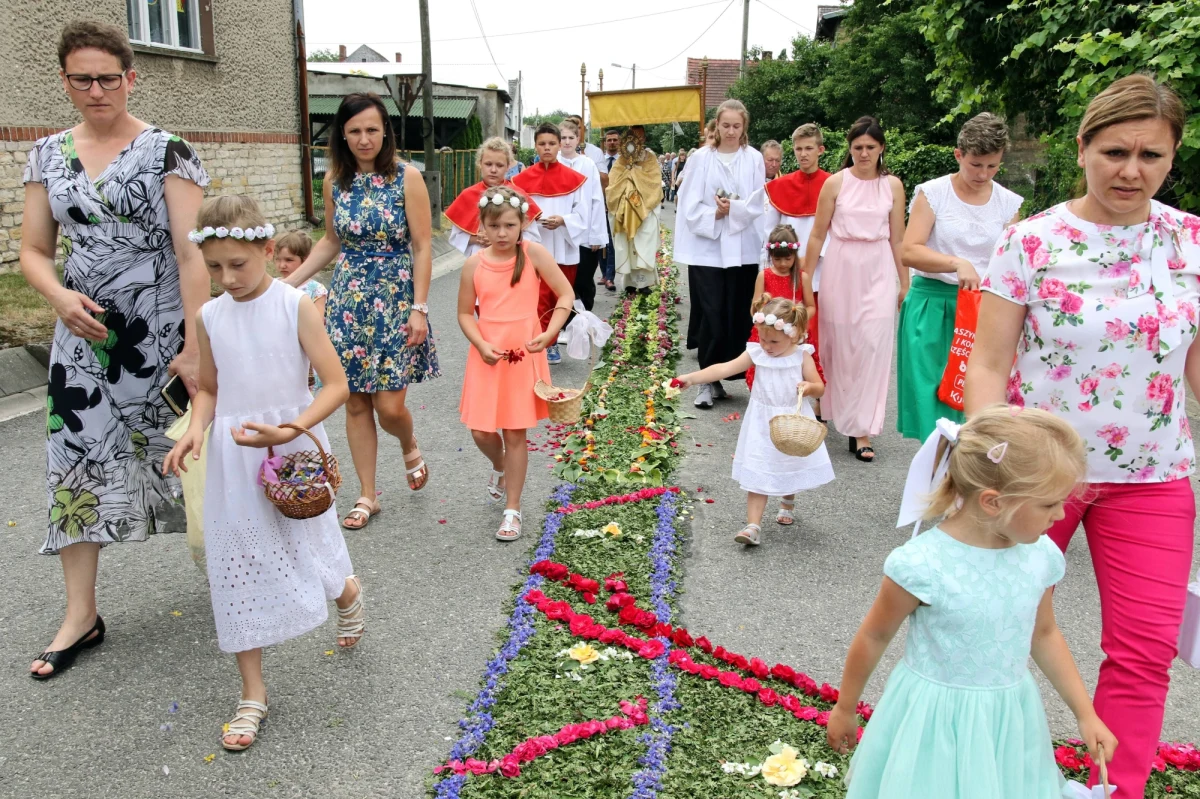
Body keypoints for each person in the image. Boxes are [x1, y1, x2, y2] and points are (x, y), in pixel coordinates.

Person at [966, 75, 1200, 796]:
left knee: (1142, 654)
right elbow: (990, 364)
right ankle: (979, 777)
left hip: (1154, 477)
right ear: (1083, 148)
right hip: (1037, 473)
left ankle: (1115, 790)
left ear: (1172, 157)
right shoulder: (1031, 241)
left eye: (1151, 155)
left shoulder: (1193, 239)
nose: (1132, 170)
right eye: (1115, 151)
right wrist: (987, 469)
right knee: (988, 630)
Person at [21, 21, 209, 679]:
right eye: (82, 78)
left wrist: (195, 343)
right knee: (74, 466)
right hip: (84, 341)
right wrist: (59, 298)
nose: (96, 89)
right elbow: (33, 251)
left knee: (200, 460)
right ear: (65, 81)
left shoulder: (168, 151)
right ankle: (80, 615)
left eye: (108, 77)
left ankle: (243, 576)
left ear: (131, 77)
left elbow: (193, 252)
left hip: (161, 337)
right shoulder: (46, 154)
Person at [826, 406, 1117, 798]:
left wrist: (1086, 714)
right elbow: (874, 636)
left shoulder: (1039, 555)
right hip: (933, 723)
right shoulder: (923, 565)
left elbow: (1044, 633)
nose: (1062, 515)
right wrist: (846, 708)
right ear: (994, 501)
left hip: (1009, 720)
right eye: (1049, 504)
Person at [163, 195, 364, 752]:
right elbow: (210, 390)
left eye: (239, 265)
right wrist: (196, 430)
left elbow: (336, 384)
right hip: (233, 453)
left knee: (309, 543)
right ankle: (253, 693)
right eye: (214, 269)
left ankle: (346, 592)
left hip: (291, 444)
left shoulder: (294, 304)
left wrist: (292, 429)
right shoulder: (209, 316)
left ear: (268, 251)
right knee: (235, 567)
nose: (227, 279)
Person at [284, 92, 440, 530]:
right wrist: (287, 283)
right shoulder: (336, 180)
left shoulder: (406, 177)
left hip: (395, 300)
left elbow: (425, 245)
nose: (364, 138)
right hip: (349, 302)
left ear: (385, 130)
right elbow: (331, 242)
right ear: (342, 135)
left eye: (372, 129)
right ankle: (367, 494)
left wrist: (420, 308)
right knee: (354, 404)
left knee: (390, 407)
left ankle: (408, 441)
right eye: (354, 131)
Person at [457, 187, 575, 541]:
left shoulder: (534, 253)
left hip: (524, 352)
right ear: (483, 226)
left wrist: (551, 332)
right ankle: (499, 465)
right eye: (495, 226)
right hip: (487, 352)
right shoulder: (474, 263)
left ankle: (512, 510)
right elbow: (465, 313)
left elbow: (565, 293)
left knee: (515, 432)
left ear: (523, 222)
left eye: (510, 225)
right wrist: (479, 343)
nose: (503, 233)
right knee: (480, 430)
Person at [897, 113, 1022, 441]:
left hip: (984, 309)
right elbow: (909, 250)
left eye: (992, 166)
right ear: (959, 155)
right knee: (932, 396)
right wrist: (956, 263)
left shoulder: (1008, 203)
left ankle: (968, 477)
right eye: (976, 164)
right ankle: (935, 479)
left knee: (977, 396)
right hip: (933, 303)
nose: (983, 174)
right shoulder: (934, 193)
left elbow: (1012, 262)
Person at [675, 295, 831, 546]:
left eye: (774, 341)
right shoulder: (757, 352)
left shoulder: (802, 356)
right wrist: (692, 378)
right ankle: (753, 526)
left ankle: (787, 501)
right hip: (761, 421)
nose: (767, 345)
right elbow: (723, 368)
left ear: (793, 334)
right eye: (763, 338)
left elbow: (820, 387)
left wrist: (809, 387)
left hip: (791, 419)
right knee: (760, 466)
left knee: (789, 461)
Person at [804, 116, 907, 462]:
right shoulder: (835, 183)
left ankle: (861, 429)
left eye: (871, 147)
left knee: (872, 345)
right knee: (842, 344)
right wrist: (804, 279)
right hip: (841, 266)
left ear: (881, 149)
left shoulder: (892, 185)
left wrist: (904, 282)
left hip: (878, 267)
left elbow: (898, 239)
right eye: (858, 147)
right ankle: (830, 403)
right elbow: (818, 234)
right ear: (849, 149)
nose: (864, 153)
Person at [676, 99, 766, 409]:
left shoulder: (753, 159)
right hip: (708, 249)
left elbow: (758, 201)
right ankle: (705, 379)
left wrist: (735, 209)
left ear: (744, 128)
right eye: (725, 125)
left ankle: (732, 376)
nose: (730, 131)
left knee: (737, 311)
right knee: (711, 312)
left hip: (741, 246)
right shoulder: (701, 158)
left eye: (736, 126)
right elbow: (687, 203)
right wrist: (714, 212)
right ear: (717, 125)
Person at [762, 123, 831, 418]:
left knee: (821, 337)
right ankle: (788, 398)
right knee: (791, 334)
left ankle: (821, 398)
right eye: (798, 149)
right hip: (786, 271)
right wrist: (771, 272)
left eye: (808, 148)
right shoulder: (781, 187)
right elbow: (769, 233)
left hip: (825, 270)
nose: (803, 154)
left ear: (820, 149)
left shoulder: (833, 185)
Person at [511, 123, 589, 366]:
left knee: (559, 296)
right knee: (536, 297)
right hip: (535, 246)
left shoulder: (575, 180)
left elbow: (583, 214)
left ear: (559, 146)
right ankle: (539, 341)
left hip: (564, 246)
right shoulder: (520, 180)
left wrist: (563, 220)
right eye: (542, 144)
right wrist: (531, 223)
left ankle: (551, 341)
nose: (547, 148)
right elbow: (514, 212)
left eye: (552, 144)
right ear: (535, 145)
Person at [745, 225, 815, 397]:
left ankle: (786, 402)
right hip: (768, 332)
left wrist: (798, 320)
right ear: (770, 256)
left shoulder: (802, 278)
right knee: (763, 368)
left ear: (795, 256)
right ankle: (762, 400)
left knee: (792, 372)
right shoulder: (764, 275)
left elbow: (811, 306)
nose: (783, 264)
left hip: (792, 333)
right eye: (777, 259)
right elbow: (754, 306)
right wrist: (764, 317)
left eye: (788, 259)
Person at [446, 137, 542, 258]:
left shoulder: (518, 195)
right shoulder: (467, 195)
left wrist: (505, 238)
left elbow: (533, 235)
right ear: (480, 163)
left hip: (512, 259)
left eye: (499, 165)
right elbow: (455, 236)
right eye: (488, 164)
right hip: (479, 260)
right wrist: (476, 239)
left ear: (508, 166)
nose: (493, 170)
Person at [558, 119, 607, 315]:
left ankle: (584, 319)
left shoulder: (587, 164)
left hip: (586, 233)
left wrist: (596, 235)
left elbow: (596, 199)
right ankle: (565, 322)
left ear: (578, 139)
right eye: (563, 138)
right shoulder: (554, 163)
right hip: (561, 232)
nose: (567, 142)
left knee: (584, 279)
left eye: (571, 137)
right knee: (564, 281)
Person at [606, 127, 663, 295]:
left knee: (643, 242)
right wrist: (627, 172)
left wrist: (635, 174)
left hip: (644, 209)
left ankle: (644, 283)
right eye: (633, 135)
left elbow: (654, 181)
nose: (636, 138)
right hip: (625, 209)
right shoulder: (622, 159)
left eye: (639, 136)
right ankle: (630, 282)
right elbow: (613, 182)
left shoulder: (650, 157)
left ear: (644, 138)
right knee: (628, 242)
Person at [275, 230, 328, 391]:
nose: (282, 265)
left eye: (289, 260)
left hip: (304, 351)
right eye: (278, 259)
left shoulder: (315, 289)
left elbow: (318, 321)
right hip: (280, 350)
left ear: (305, 260)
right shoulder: (275, 286)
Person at [597, 129, 621, 290]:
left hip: (616, 208)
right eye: (609, 140)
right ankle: (604, 273)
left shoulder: (623, 163)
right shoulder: (598, 162)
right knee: (599, 242)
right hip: (599, 207)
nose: (612, 142)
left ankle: (610, 276)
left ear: (619, 142)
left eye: (615, 140)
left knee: (612, 243)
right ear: (605, 142)